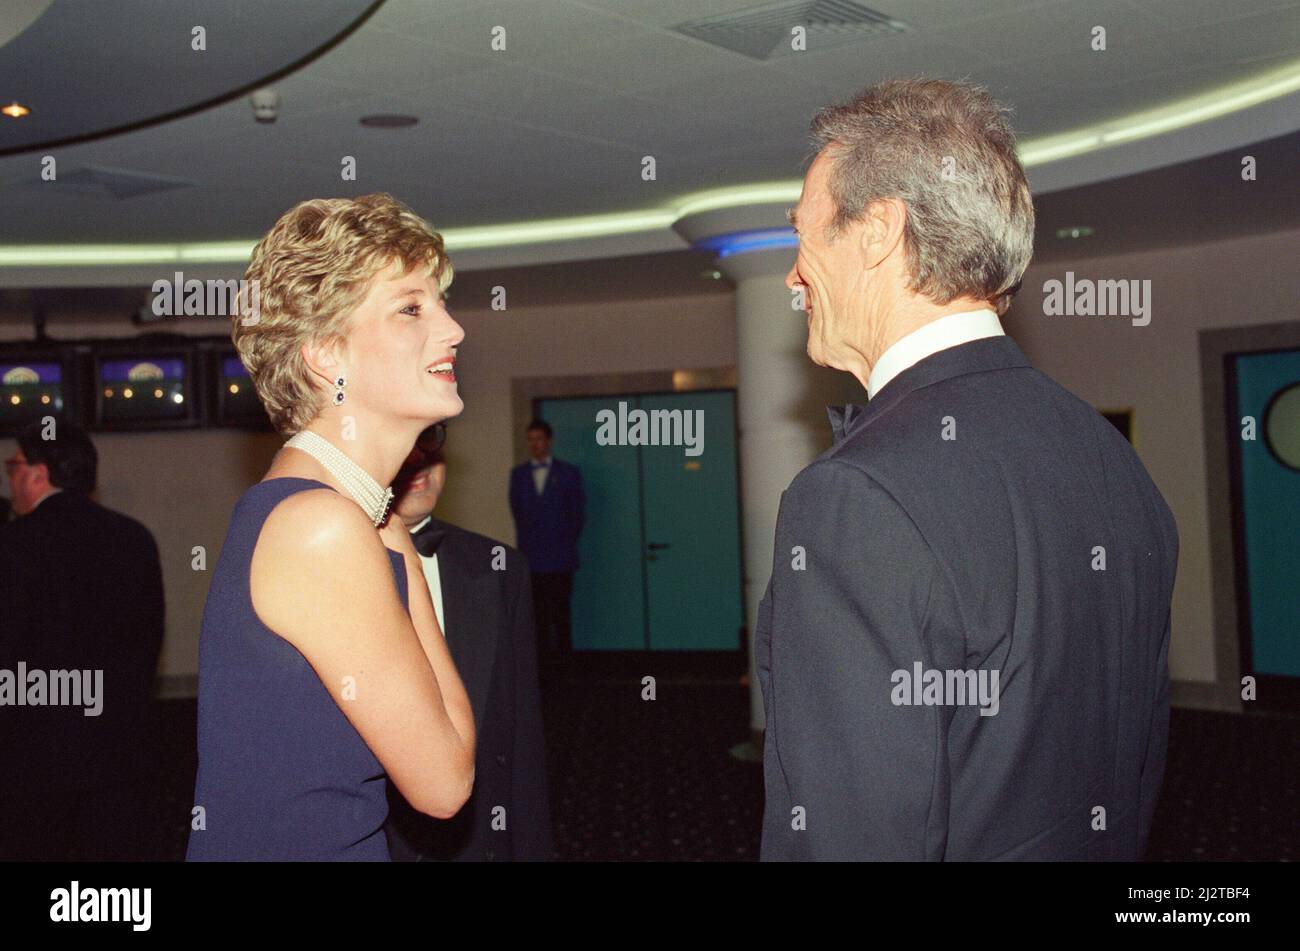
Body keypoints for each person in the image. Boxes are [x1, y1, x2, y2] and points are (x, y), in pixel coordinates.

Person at [757, 79, 1179, 861]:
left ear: (879, 230)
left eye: (802, 235)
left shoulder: (854, 498)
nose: (791, 275)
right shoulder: (1112, 460)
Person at [186, 193, 476, 861]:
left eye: (441, 302)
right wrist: (394, 531)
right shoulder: (325, 526)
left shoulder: (312, 508)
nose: (453, 328)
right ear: (324, 354)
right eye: (411, 307)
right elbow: (446, 781)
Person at [384, 422, 554, 861]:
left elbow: (523, 737)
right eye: (403, 441)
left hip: (478, 839)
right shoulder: (320, 565)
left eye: (430, 440)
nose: (419, 459)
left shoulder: (501, 569)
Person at [0, 417, 164, 860]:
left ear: (37, 473)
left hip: (31, 761)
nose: (10, 477)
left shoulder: (13, 545)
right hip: (120, 750)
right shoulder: (135, 540)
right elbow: (148, 644)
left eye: (13, 465)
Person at [508, 420, 585, 661]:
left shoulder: (568, 474)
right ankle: (542, 671)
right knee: (538, 617)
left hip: (561, 557)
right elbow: (518, 513)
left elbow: (577, 515)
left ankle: (566, 666)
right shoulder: (519, 475)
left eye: (539, 439)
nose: (535, 444)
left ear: (549, 441)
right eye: (530, 439)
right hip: (532, 559)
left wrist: (562, 542)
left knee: (561, 614)